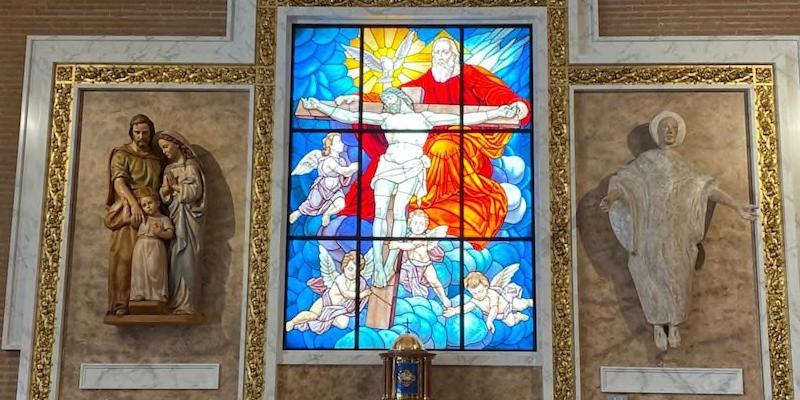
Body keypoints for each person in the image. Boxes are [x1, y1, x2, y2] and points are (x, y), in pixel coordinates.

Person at [302, 88, 516, 286]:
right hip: (387, 166)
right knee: (379, 214)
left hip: (412, 168)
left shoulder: (425, 117)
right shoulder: (386, 118)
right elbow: (350, 116)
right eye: (384, 100)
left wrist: (498, 112)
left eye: (390, 97)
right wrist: (320, 107)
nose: (387, 102)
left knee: (399, 214)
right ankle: (378, 264)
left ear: (402, 98)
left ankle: (390, 262)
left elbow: (463, 117)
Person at [337, 37, 532, 245]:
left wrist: (517, 106)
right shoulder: (426, 81)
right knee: (409, 156)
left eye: (444, 53)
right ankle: (415, 203)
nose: (439, 58)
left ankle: (428, 201)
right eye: (436, 53)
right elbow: (396, 99)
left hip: (467, 145)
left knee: (444, 147)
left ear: (455, 56)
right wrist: (362, 100)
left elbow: (499, 95)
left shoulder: (472, 75)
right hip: (428, 145)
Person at [600, 111, 758, 351]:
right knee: (650, 276)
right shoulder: (645, 162)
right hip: (651, 230)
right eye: (665, 127)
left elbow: (705, 189)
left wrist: (736, 206)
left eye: (673, 128)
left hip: (676, 233)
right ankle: (656, 324)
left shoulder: (684, 166)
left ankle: (674, 324)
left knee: (678, 277)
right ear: (657, 133)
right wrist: (611, 198)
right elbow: (625, 185)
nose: (669, 131)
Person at [104, 114, 164, 316]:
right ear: (131, 132)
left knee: (152, 259)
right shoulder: (122, 154)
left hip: (152, 209)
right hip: (130, 209)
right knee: (125, 256)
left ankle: (150, 299)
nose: (141, 136)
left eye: (145, 132)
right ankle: (121, 303)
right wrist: (133, 204)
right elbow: (118, 182)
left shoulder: (156, 159)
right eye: (137, 132)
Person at [157, 130, 206, 315]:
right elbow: (165, 197)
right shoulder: (168, 169)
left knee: (187, 258)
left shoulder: (190, 165)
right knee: (175, 258)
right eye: (161, 148)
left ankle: (188, 304)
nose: (164, 151)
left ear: (177, 144)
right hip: (175, 218)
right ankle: (177, 301)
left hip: (190, 220)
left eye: (166, 146)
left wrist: (176, 187)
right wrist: (167, 191)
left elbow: (195, 192)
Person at [285, 249, 371, 334]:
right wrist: (362, 294)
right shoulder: (340, 279)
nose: (353, 273)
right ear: (344, 266)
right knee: (312, 315)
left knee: (343, 324)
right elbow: (346, 294)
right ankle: (292, 322)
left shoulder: (361, 282)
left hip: (338, 310)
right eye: (350, 269)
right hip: (325, 302)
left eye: (357, 271)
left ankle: (329, 318)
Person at [289, 131, 358, 227]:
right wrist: (355, 167)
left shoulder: (341, 160)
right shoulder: (328, 160)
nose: (342, 143)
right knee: (312, 205)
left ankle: (327, 214)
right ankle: (298, 212)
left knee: (341, 204)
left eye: (341, 141)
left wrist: (349, 172)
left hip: (335, 191)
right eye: (338, 142)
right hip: (321, 190)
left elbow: (344, 178)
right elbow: (344, 171)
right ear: (331, 145)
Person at [388, 209, 451, 307]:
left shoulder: (422, 238)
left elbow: (411, 246)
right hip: (413, 265)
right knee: (414, 286)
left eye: (421, 224)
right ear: (410, 224)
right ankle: (419, 303)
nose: (418, 226)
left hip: (426, 264)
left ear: (425, 226)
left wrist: (397, 244)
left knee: (434, 280)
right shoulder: (408, 237)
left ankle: (444, 298)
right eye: (415, 223)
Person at [443, 266, 533, 333]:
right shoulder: (475, 300)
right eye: (474, 293)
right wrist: (454, 311)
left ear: (486, 286)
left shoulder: (491, 294)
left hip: (509, 303)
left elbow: (494, 308)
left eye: (480, 291)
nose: (478, 295)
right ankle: (518, 316)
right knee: (511, 322)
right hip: (502, 314)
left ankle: (531, 302)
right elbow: (466, 307)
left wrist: (489, 320)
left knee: (522, 304)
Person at [129, 188, 173, 303]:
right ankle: (140, 292)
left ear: (157, 203)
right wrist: (133, 217)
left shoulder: (163, 219)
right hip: (141, 245)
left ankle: (158, 294)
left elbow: (170, 234)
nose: (147, 207)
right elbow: (133, 223)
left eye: (150, 203)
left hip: (156, 246)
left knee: (154, 269)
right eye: (144, 205)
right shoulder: (144, 218)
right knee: (140, 269)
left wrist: (160, 233)